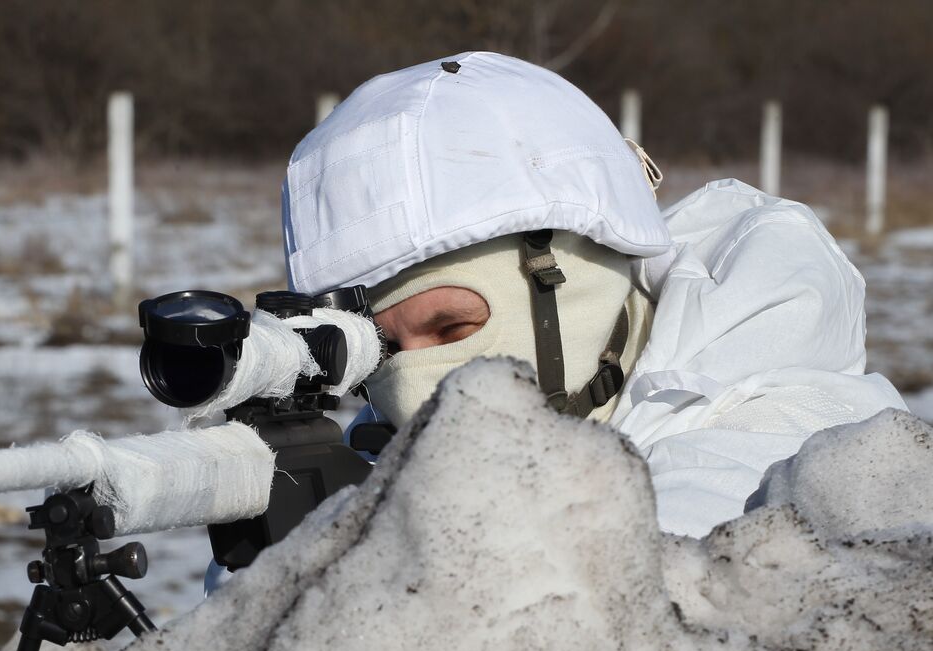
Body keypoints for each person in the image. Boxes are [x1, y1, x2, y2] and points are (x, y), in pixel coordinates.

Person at [282, 51, 907, 537]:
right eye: (385, 349)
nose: (418, 393)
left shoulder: (781, 432)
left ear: (574, 276)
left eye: (454, 331)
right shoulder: (373, 445)